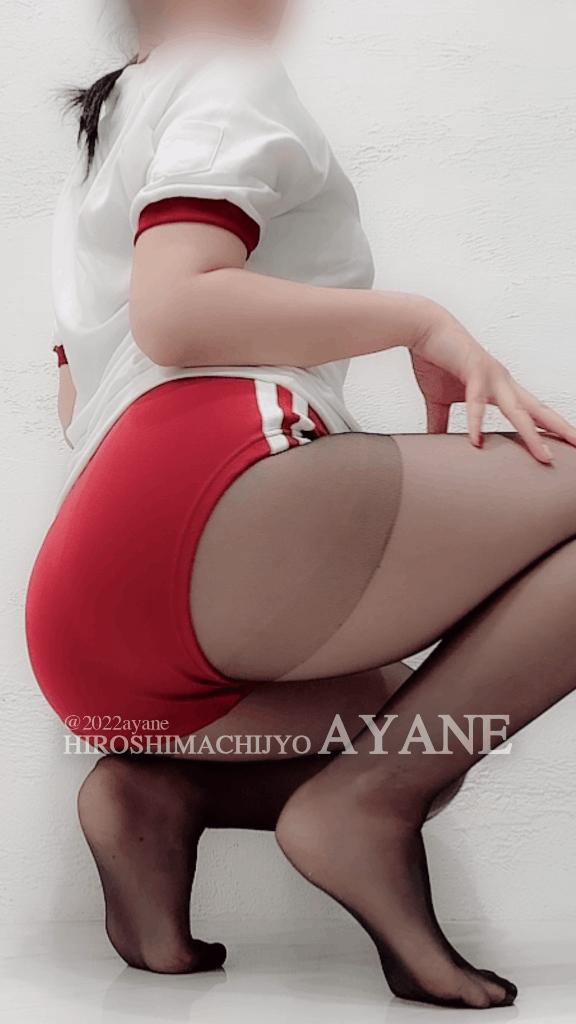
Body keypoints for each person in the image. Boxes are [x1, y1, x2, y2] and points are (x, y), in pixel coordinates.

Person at [25, 0, 576, 1010]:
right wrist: (421, 320)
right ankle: (362, 812)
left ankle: (160, 791)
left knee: (410, 727)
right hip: (202, 492)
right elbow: (178, 312)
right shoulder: (224, 70)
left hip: (83, 613)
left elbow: (76, 402)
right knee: (403, 760)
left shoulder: (106, 136)